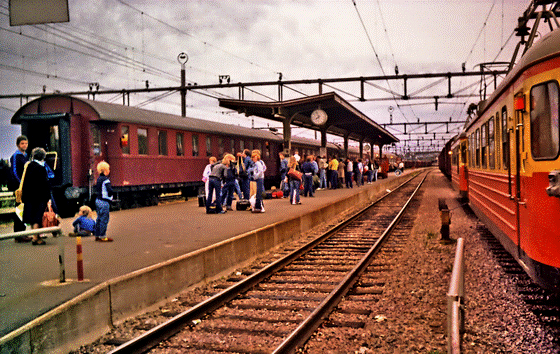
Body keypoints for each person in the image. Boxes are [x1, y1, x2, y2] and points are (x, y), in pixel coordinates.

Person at [21, 147, 51, 245]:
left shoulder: (29, 166)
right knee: (37, 217)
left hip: (29, 197)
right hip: (39, 197)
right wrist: (48, 198)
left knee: (32, 217)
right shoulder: (40, 168)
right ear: (43, 157)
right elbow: (45, 185)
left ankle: (35, 236)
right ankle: (36, 238)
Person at [9, 135, 30, 242]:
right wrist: (21, 185)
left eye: (26, 143)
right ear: (18, 145)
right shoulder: (16, 156)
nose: (24, 145)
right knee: (19, 210)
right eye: (22, 143)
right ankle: (18, 235)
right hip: (19, 188)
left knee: (24, 210)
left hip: (25, 187)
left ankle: (24, 232)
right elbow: (15, 172)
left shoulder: (26, 156)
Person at [95, 161, 113, 242]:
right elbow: (109, 190)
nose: (109, 170)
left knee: (99, 218)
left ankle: (97, 235)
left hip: (98, 200)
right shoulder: (106, 180)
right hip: (104, 202)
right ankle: (103, 236)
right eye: (108, 169)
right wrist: (111, 194)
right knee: (104, 219)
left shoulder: (99, 179)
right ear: (105, 170)